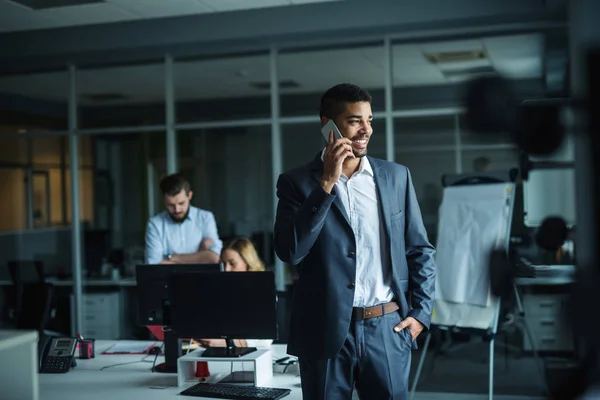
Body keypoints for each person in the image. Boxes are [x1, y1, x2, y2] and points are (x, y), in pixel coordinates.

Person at [273, 83, 436, 399]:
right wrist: (326, 184)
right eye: (354, 120)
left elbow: (419, 249)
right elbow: (291, 251)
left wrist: (421, 314)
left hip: (387, 328)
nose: (366, 130)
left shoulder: (395, 176)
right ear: (327, 125)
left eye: (370, 120)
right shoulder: (296, 183)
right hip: (324, 331)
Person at [196, 236, 271, 349]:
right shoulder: (218, 293)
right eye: (223, 264)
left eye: (232, 263)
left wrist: (222, 343)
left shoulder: (260, 294)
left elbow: (265, 340)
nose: (226, 270)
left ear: (248, 264)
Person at [145, 173, 222, 265]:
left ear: (189, 196)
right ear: (164, 200)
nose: (177, 210)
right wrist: (199, 256)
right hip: (169, 279)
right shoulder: (155, 224)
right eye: (171, 205)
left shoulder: (205, 218)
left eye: (181, 203)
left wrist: (171, 257)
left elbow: (214, 258)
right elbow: (154, 264)